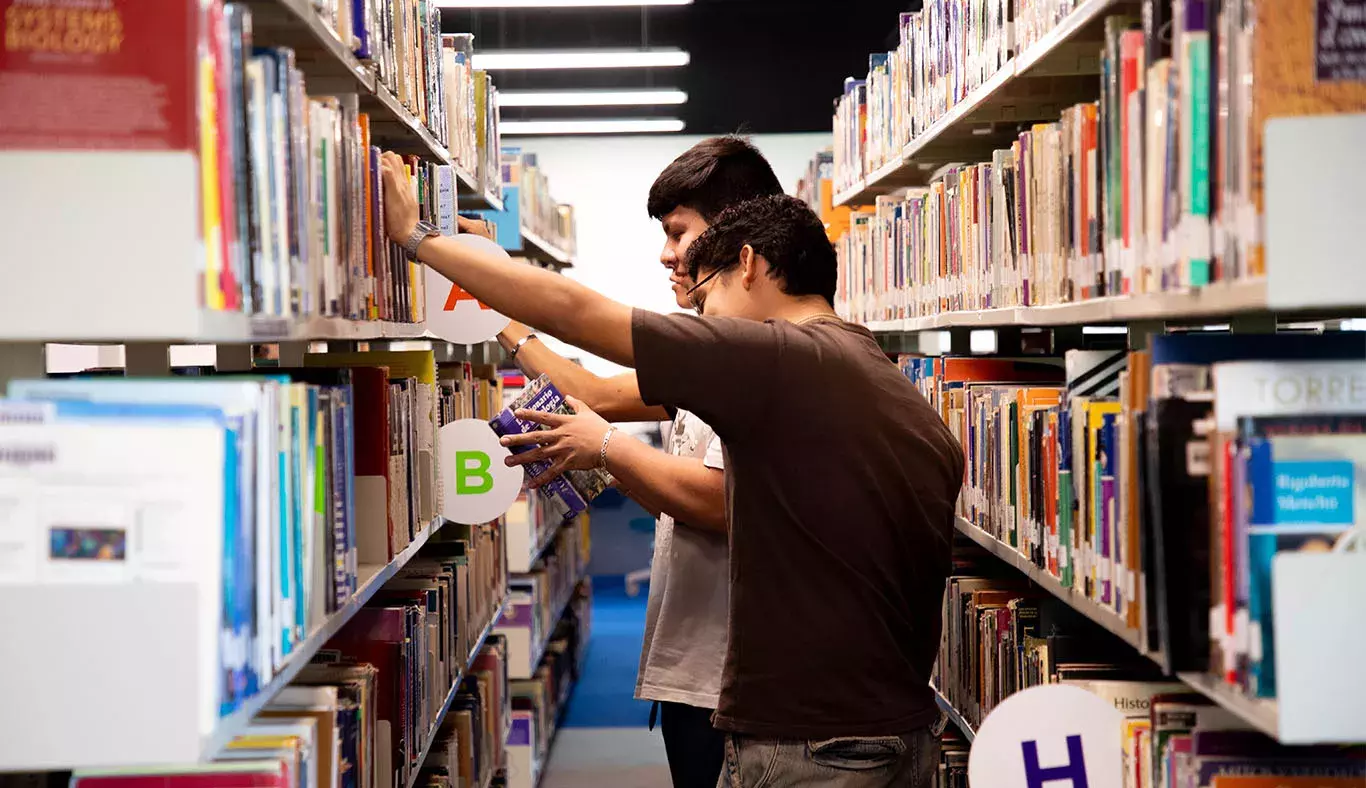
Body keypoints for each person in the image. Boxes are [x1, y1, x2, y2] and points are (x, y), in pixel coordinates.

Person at [382, 156, 964, 786]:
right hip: (894, 725)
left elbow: (578, 312)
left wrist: (419, 238)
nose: (701, 310)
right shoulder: (871, 372)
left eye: (706, 290)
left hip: (810, 738)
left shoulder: (775, 358)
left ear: (747, 265)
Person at [486, 137, 784, 788]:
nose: (665, 253)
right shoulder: (709, 354)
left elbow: (720, 503)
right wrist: (499, 316)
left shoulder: (755, 356)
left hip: (732, 684)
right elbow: (589, 394)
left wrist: (603, 448)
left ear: (739, 242)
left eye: (679, 232)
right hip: (698, 672)